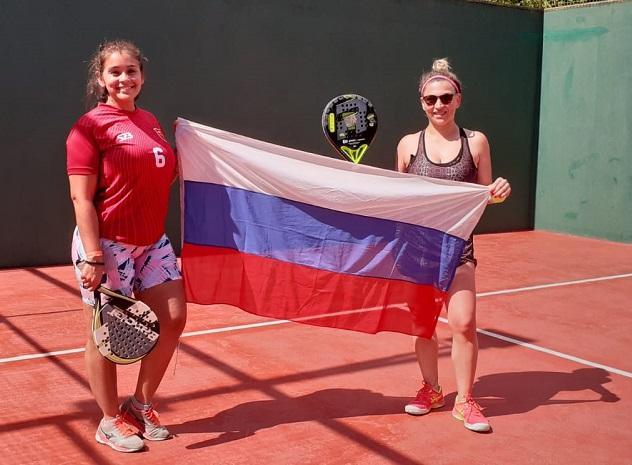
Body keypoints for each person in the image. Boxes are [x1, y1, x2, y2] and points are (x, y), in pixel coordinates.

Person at [66, 40, 187, 452]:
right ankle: (108, 419)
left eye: (131, 70)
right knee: (107, 335)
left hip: (152, 242)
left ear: (142, 77)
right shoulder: (89, 126)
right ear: (101, 79)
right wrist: (93, 255)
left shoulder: (151, 121)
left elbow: (156, 179)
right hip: (107, 245)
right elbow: (82, 198)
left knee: (172, 318)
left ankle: (140, 405)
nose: (124, 78)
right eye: (115, 72)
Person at [396, 58, 511, 432]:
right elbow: (396, 196)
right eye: (430, 100)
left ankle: (465, 400)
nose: (438, 105)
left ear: (458, 99)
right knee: (423, 327)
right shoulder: (408, 145)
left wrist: (497, 193)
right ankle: (431, 390)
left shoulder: (475, 142)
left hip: (459, 250)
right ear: (422, 103)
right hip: (417, 252)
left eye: (445, 97)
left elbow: (484, 195)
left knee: (463, 324)